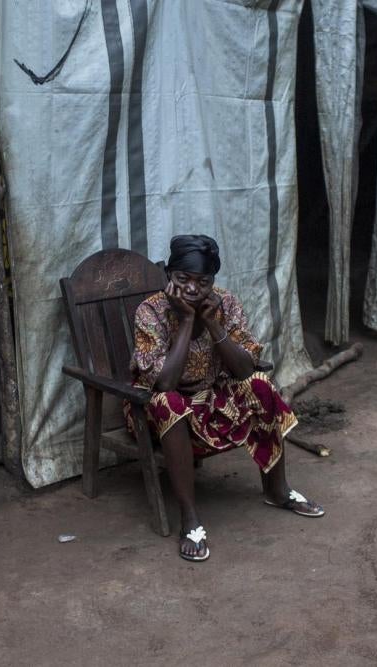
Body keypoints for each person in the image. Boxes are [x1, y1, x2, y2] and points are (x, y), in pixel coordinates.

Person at [127, 234, 323, 562]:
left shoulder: (225, 303)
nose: (192, 289)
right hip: (156, 411)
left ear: (213, 281)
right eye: (183, 279)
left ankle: (277, 489)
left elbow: (245, 369)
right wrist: (188, 321)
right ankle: (189, 518)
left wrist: (210, 322)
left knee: (260, 384)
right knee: (167, 402)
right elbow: (164, 383)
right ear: (169, 277)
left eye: (202, 282)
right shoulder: (151, 311)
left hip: (212, 400)